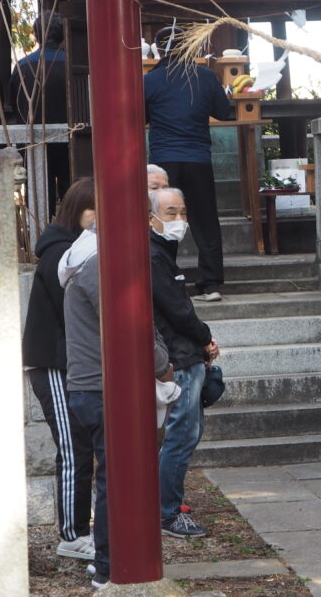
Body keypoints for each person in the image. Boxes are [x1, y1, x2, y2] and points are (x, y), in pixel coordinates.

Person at [62, 205, 173, 589]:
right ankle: (110, 566)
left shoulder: (80, 266)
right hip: (103, 388)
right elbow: (136, 327)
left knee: (112, 478)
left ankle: (107, 561)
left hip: (88, 386)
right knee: (118, 479)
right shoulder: (102, 270)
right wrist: (162, 365)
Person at [21, 177, 97, 562]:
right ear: (77, 210)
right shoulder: (62, 254)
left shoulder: (69, 248)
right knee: (73, 448)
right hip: (54, 363)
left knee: (81, 446)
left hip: (70, 363)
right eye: (93, 210)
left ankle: (79, 527)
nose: (100, 218)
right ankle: (71, 533)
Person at [149, 186, 221, 539]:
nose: (180, 220)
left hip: (183, 350)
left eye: (182, 212)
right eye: (171, 212)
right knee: (182, 433)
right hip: (177, 355)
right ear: (151, 217)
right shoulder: (152, 255)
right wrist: (204, 336)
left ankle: (166, 503)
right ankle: (167, 511)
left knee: (187, 432)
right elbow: (177, 311)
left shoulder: (163, 250)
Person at [144, 26, 231, 302]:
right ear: (190, 47)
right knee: (205, 220)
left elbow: (139, 116)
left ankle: (167, 277)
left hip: (163, 161)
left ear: (158, 50)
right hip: (198, 158)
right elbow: (224, 112)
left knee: (163, 217)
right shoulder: (205, 77)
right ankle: (211, 284)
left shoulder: (150, 80)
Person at [14, 11, 71, 210]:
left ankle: (41, 236)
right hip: (72, 143)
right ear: (64, 33)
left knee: (39, 199)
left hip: (34, 140)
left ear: (36, 36)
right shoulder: (74, 65)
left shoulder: (22, 66)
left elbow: (15, 105)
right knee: (73, 195)